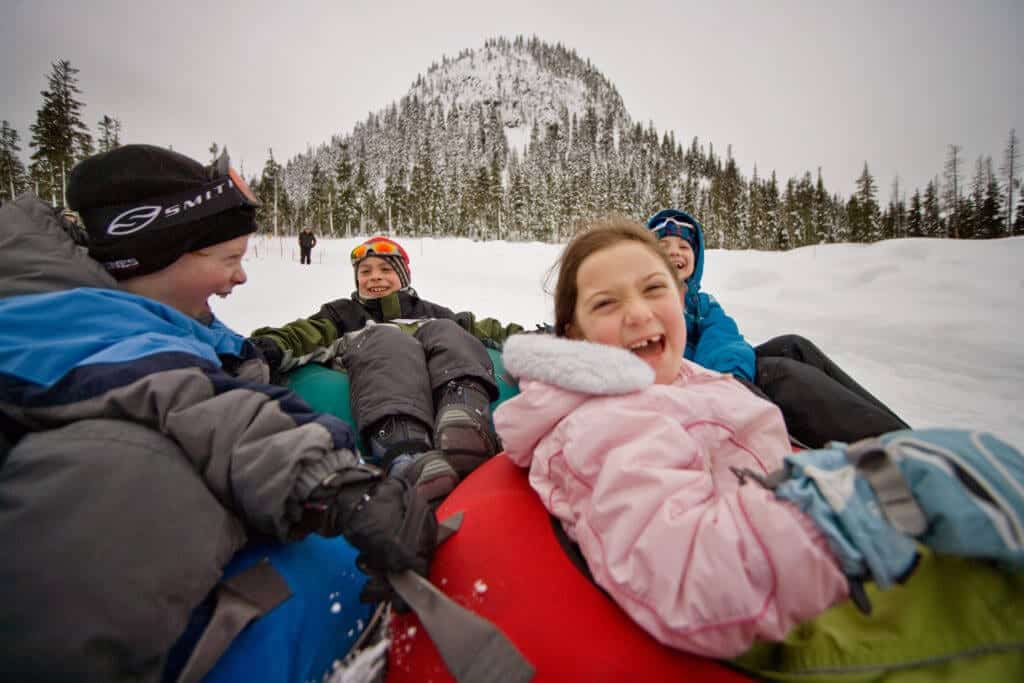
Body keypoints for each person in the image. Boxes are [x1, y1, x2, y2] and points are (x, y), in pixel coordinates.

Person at [0, 145, 436, 682]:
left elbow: (227, 371)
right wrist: (335, 479)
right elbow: (187, 392)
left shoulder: (179, 319)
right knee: (126, 462)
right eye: (229, 259)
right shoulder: (56, 315)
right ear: (157, 255)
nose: (241, 278)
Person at [494, 218, 1024, 659]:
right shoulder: (607, 421)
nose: (637, 310)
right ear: (573, 337)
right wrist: (862, 503)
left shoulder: (674, 368)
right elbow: (690, 570)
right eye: (606, 304)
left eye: (655, 288)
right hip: (792, 608)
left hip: (788, 541)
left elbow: (726, 347)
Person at [251, 235, 522, 494]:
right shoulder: (342, 314)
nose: (375, 277)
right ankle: (406, 454)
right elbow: (305, 334)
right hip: (381, 384)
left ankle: (464, 416)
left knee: (447, 330)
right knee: (385, 337)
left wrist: (532, 338)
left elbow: (485, 330)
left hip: (442, 382)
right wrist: (266, 348)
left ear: (404, 276)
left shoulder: (431, 312)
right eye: (365, 272)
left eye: (385, 269)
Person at [646, 208, 909, 447]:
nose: (675, 251)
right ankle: (889, 445)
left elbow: (722, 336)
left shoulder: (701, 303)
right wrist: (725, 380)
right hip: (698, 386)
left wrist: (732, 373)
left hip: (722, 374)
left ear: (697, 258)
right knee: (782, 375)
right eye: (664, 245)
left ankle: (902, 434)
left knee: (794, 346)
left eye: (684, 246)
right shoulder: (647, 302)